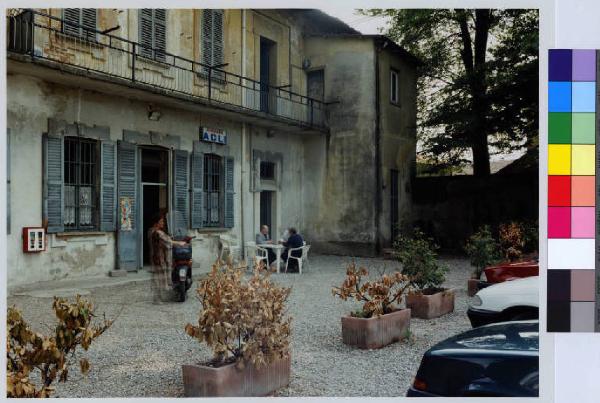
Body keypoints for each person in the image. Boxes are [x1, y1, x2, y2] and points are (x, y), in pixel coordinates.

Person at [147, 210, 186, 304]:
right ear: (156, 223)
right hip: (159, 258)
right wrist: (180, 243)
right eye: (161, 221)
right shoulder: (158, 233)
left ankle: (158, 298)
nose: (163, 223)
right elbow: (168, 241)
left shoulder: (151, 230)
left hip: (155, 257)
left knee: (158, 278)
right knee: (159, 278)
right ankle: (157, 299)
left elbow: (166, 239)